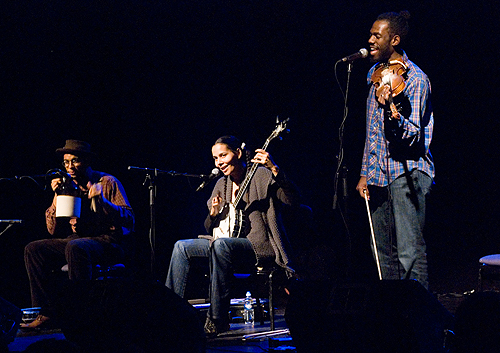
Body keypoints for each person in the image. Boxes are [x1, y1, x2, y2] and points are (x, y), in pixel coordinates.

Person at [165, 135, 300, 336]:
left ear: (237, 153)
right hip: (225, 241)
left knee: (221, 246)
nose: (219, 162)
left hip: (256, 245)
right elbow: (209, 226)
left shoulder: (261, 175)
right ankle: (169, 313)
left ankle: (217, 319)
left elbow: (293, 201)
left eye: (223, 155)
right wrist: (213, 213)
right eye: (215, 158)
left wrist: (274, 169)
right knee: (181, 246)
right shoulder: (221, 183)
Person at [356, 11, 434, 289]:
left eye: (377, 35)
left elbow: (412, 138)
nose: (370, 40)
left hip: (407, 173)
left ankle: (418, 319)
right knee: (382, 253)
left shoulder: (415, 80)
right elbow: (371, 133)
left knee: (409, 252)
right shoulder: (373, 74)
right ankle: (391, 318)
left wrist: (392, 111)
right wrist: (365, 172)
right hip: (377, 175)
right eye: (371, 34)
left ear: (395, 39)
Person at [22, 140, 135, 329]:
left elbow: (129, 220)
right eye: (66, 162)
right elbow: (52, 230)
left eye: (75, 161)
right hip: (78, 239)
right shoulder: (67, 185)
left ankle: (81, 313)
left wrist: (103, 202)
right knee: (34, 249)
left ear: (87, 161)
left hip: (108, 241)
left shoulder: (107, 182)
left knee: (76, 247)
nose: (70, 167)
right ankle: (46, 312)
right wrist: (57, 198)